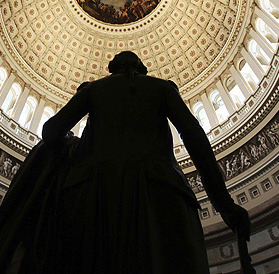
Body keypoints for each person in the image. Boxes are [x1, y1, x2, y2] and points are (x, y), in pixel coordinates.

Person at [41, 51, 250, 274]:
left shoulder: (92, 90)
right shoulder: (162, 88)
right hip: (162, 191)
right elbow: (195, 138)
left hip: (99, 195)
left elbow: (51, 132)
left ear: (111, 69)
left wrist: (73, 142)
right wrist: (224, 204)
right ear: (142, 68)